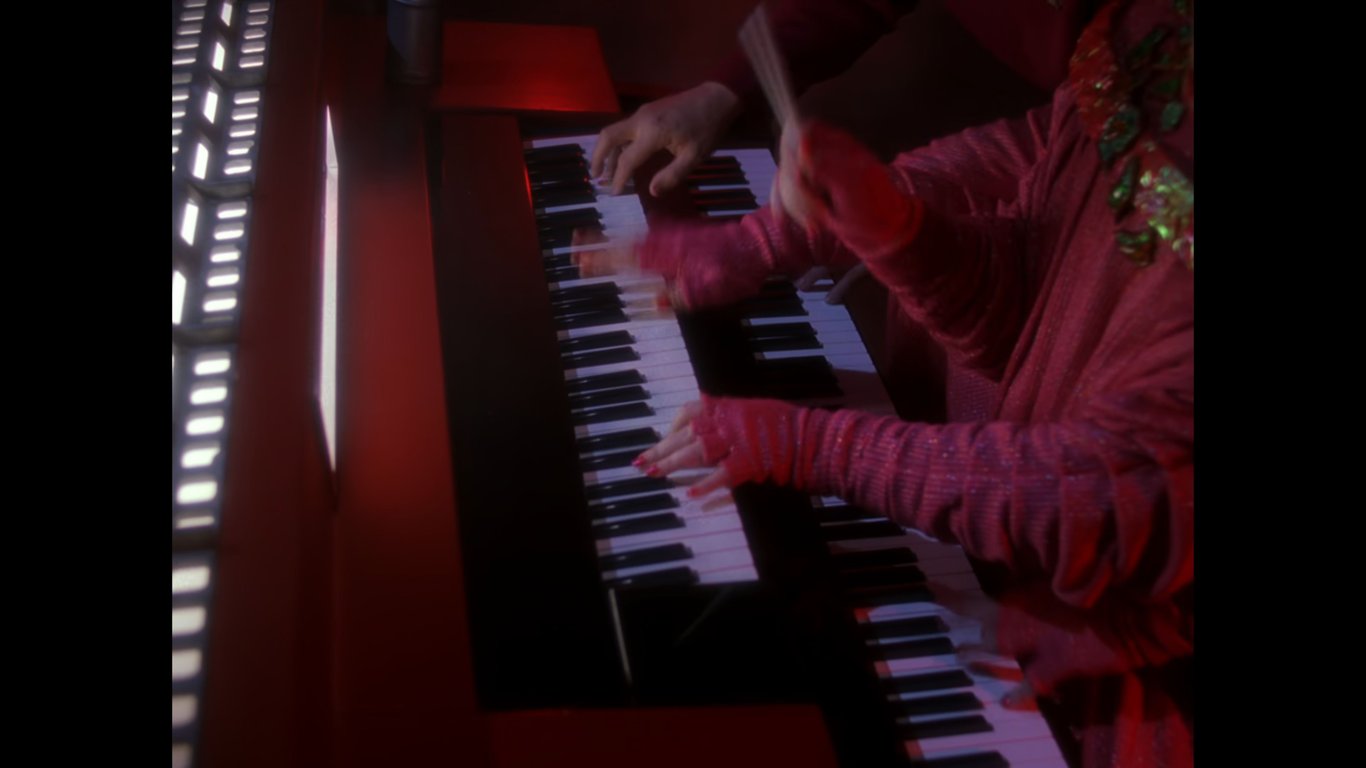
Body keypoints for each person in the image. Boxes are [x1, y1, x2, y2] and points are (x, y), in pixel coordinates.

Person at [596, 1, 1194, 765]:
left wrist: (813, 448)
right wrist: (878, 218)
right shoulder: (1150, 16)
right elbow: (1038, 237)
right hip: (1014, 532)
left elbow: (1113, 491)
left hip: (1109, 620)